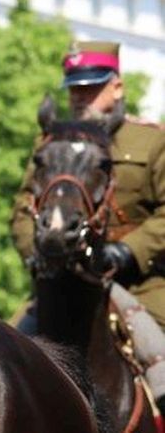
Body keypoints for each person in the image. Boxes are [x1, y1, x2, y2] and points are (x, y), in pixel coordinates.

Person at [11, 41, 165, 325]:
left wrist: (128, 251)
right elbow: (24, 207)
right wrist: (35, 254)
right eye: (73, 89)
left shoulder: (153, 141)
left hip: (141, 285)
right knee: (4, 353)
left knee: (158, 361)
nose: (79, 97)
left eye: (89, 88)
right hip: (64, 283)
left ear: (117, 88)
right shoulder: (52, 144)